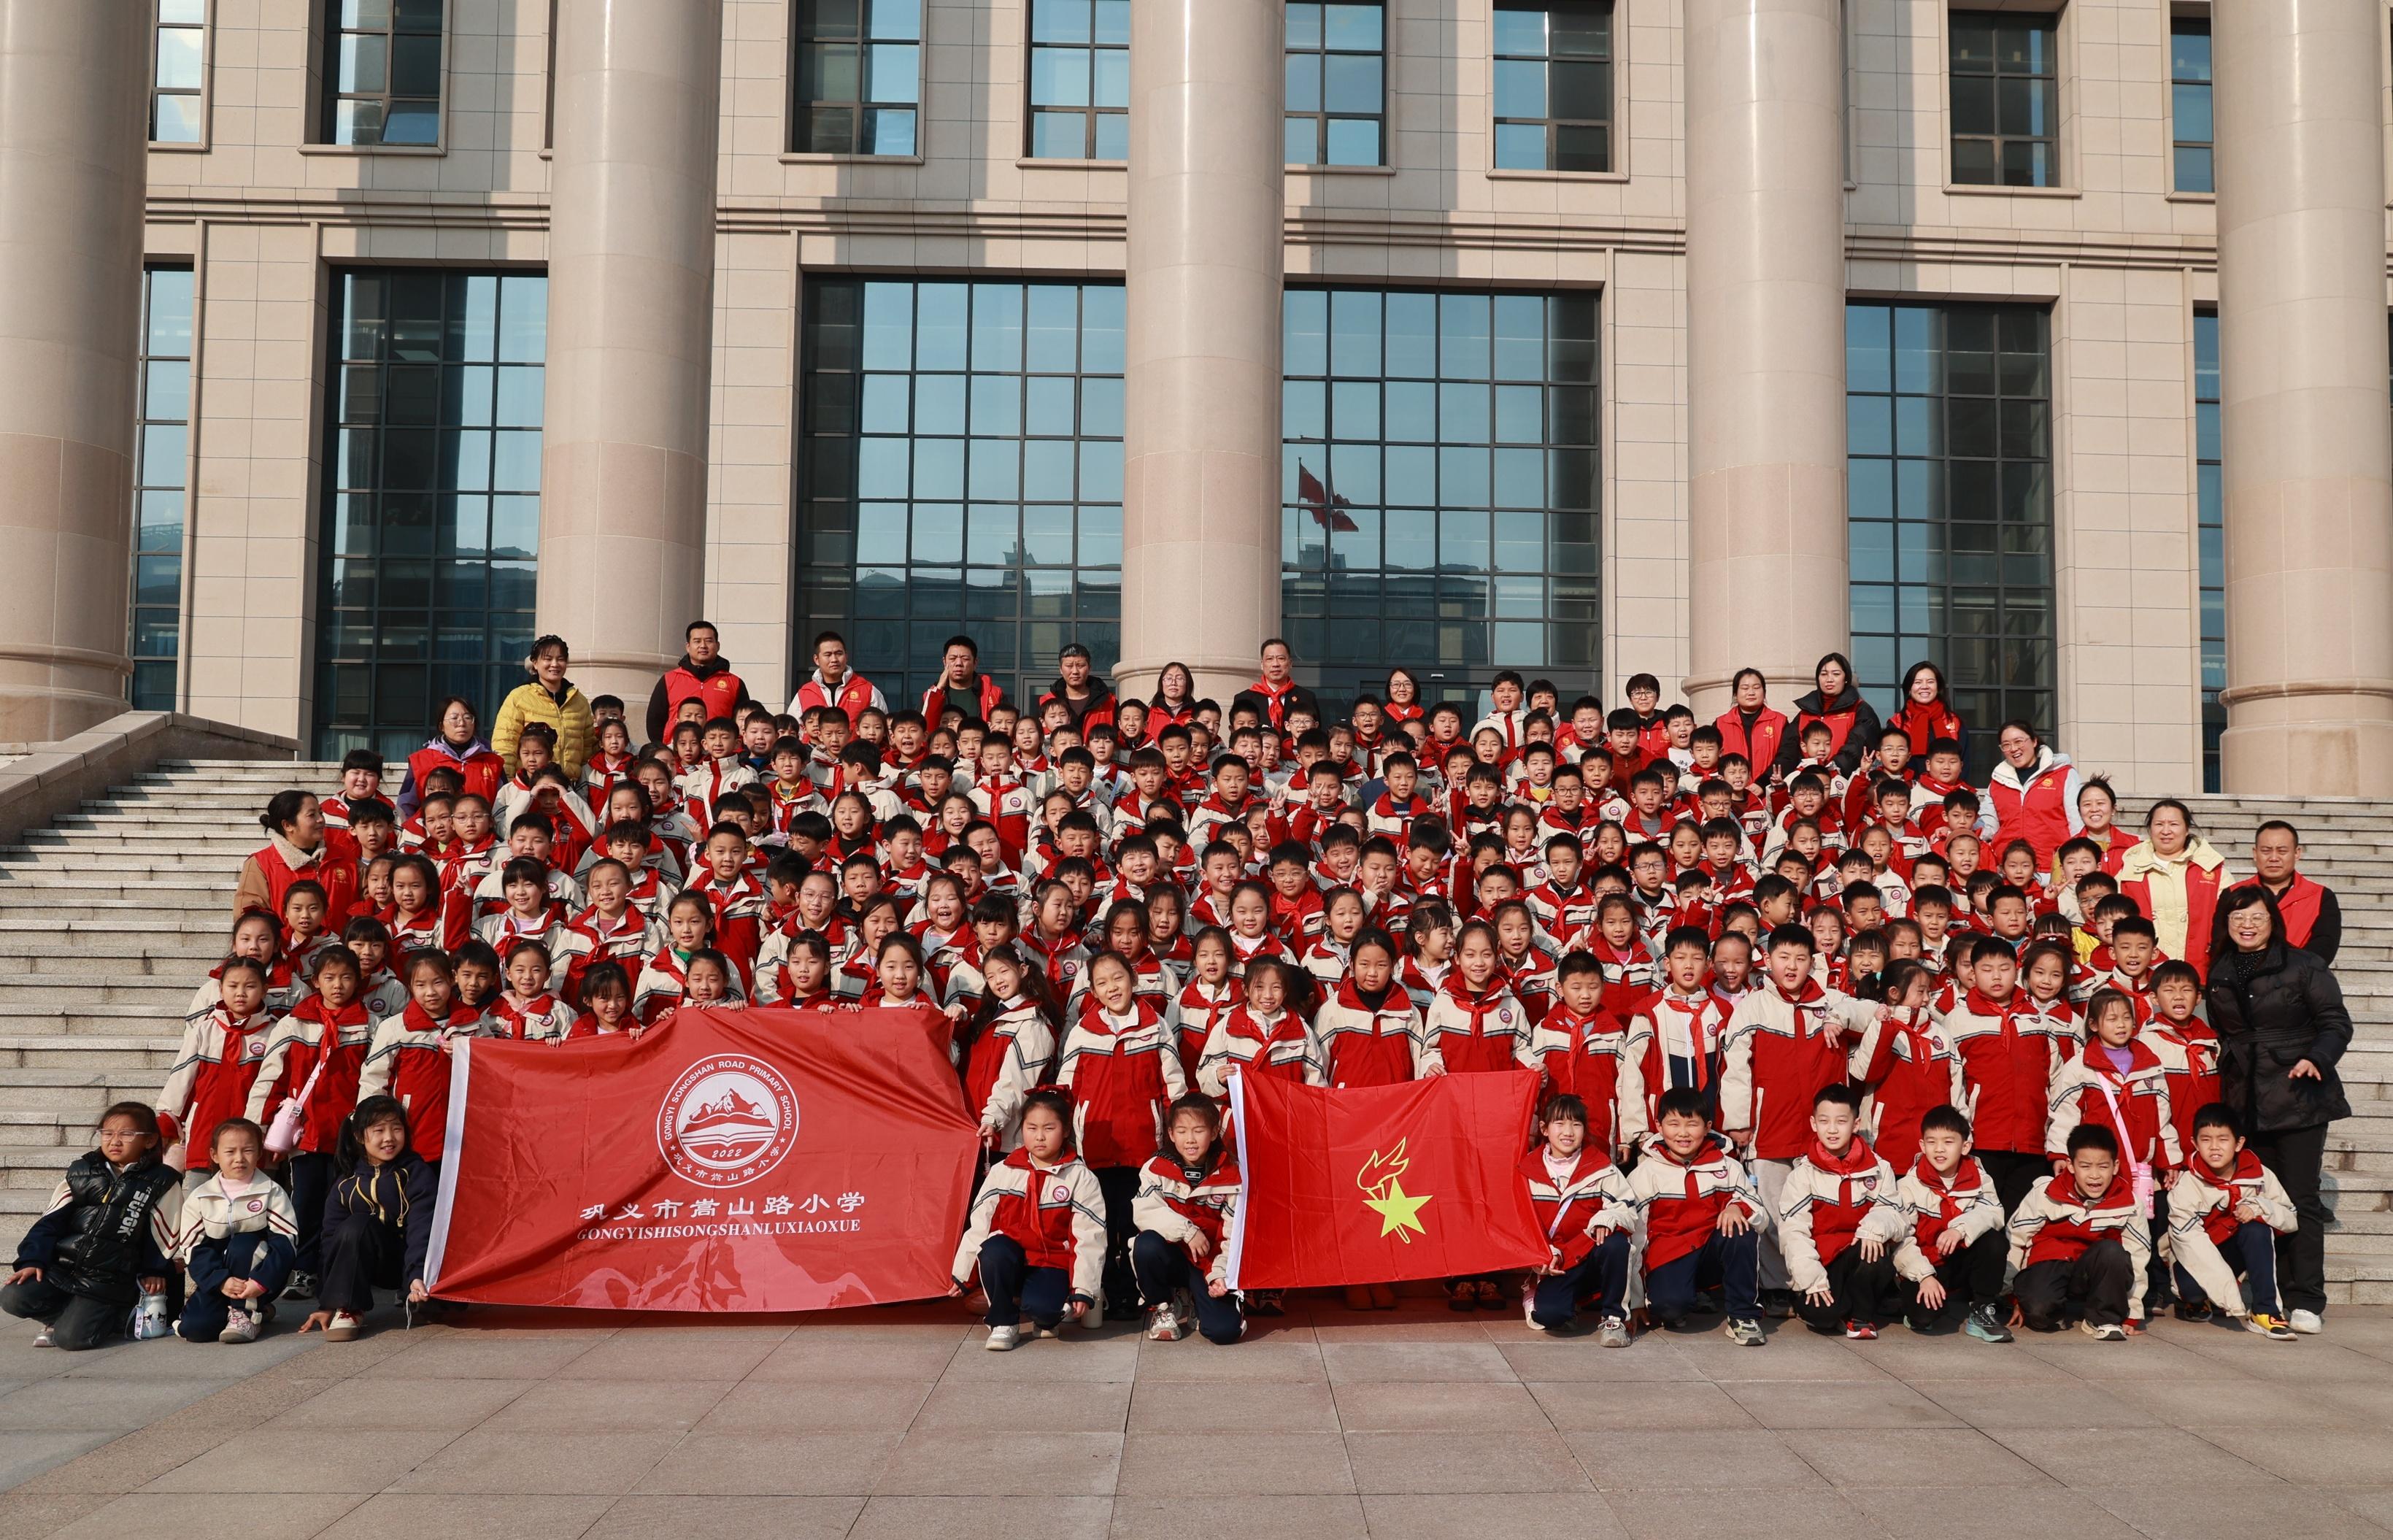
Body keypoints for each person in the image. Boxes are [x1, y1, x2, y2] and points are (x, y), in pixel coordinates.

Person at [2204, 885, 2351, 1334]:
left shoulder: (2304, 965)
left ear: (2273, 920)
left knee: (2300, 1198)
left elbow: (2335, 1022)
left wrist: (2317, 1057)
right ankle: (2272, 1297)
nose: (2246, 925)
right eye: (2237, 918)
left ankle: (2306, 1299)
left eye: (2256, 917)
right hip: (2245, 1098)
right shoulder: (2220, 968)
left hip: (2298, 1094)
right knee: (2261, 1199)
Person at [2, 1103, 180, 1350]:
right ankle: (64, 1317)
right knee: (12, 1296)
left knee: (71, 1340)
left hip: (109, 1282)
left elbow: (165, 1233)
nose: (115, 1141)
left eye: (127, 1134)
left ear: (149, 1141)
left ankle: (116, 1316)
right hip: (64, 1269)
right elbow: (49, 1222)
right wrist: (33, 1260)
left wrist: (154, 1269)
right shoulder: (81, 1172)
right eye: (107, 1133)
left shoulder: (162, 1181)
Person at [949, 1087, 1108, 1350]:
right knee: (993, 1249)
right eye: (1032, 1128)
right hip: (1011, 1257)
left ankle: (1045, 1310)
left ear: (1065, 1130)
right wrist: (963, 1275)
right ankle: (1003, 1322)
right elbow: (981, 1224)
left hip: (1052, 1261)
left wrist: (1083, 1288)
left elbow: (1089, 1237)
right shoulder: (1003, 1171)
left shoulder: (1080, 1177)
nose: (1040, 1137)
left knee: (1046, 1313)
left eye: (1049, 1128)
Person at [1624, 1086, 1770, 1346]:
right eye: (1674, 1124)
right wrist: (1634, 1301)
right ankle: (1679, 1297)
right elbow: (1634, 1239)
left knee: (1742, 1228)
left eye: (1692, 1124)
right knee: (1669, 1309)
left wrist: (1738, 1207)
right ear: (1659, 1126)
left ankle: (1743, 1316)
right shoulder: (1645, 1174)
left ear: (1707, 1127)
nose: (1683, 1133)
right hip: (1670, 1255)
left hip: (1710, 1253)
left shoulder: (1728, 1166)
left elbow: (1760, 1213)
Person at [301, 1096, 437, 1341]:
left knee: (438, 1309)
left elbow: (423, 1228)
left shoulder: (417, 1173)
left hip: (412, 1262)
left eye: (396, 1129)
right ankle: (349, 1308)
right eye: (379, 1130)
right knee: (356, 1226)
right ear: (359, 1136)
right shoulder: (346, 1183)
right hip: (372, 1263)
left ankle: (417, 1293)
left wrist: (417, 1275)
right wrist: (327, 1303)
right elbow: (330, 1243)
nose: (389, 1138)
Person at [1777, 1083, 1905, 1339]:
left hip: (1857, 1255)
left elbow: (1896, 1215)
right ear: (1814, 1123)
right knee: (1822, 1317)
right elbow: (1793, 1232)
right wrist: (1812, 1279)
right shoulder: (1803, 1173)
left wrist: (1874, 1228)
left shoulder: (1879, 1168)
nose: (1832, 1129)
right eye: (1824, 1121)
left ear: (1856, 1124)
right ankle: (1836, 1308)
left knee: (1874, 1247)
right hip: (1822, 1263)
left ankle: (1860, 1316)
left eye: (1841, 1121)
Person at [2010, 1122, 2150, 1339]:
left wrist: (2132, 1314)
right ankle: (2050, 1307)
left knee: (2112, 1251)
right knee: (2038, 1313)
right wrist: (2015, 1296)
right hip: (2050, 1264)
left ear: (2115, 1166)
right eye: (2085, 1166)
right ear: (2071, 1165)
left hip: (2092, 1270)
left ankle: (2102, 1318)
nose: (2094, 1175)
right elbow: (2016, 1240)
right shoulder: (2046, 1193)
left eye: (2103, 1167)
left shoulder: (2129, 1203)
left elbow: (2138, 1258)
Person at [1890, 1104, 2012, 1341]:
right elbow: (1901, 1240)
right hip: (1925, 1264)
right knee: (1923, 1318)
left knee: (1994, 1241)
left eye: (1948, 1142)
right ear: (1922, 1145)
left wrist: (1960, 1229)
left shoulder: (1980, 1178)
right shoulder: (1908, 1185)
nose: (1939, 1149)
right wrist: (1924, 1276)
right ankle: (1916, 1305)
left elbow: (1994, 1213)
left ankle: (1982, 1310)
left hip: (1960, 1260)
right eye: (1932, 1142)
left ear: (1965, 1146)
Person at [1517, 1094, 1634, 1343]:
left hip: (1590, 1254)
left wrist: (1606, 1217)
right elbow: (1520, 1223)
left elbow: (1626, 1209)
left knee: (1616, 1243)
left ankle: (1614, 1318)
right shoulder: (1526, 1171)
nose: (1568, 1132)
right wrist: (1541, 1253)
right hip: (1557, 1264)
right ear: (1544, 1129)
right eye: (1560, 1123)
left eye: (1576, 1124)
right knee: (1550, 1317)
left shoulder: (1602, 1167)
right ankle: (1544, 1295)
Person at [1130, 1094, 1244, 1344]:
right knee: (1145, 1245)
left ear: (1213, 1132)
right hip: (1171, 1254)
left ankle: (1196, 1299)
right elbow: (1144, 1211)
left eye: (1198, 1131)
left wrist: (1219, 1275)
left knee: (1224, 1332)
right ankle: (1164, 1306)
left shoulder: (1232, 1173)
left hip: (1208, 1262)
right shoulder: (1156, 1167)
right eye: (1182, 1131)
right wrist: (1187, 1231)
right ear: (1171, 1134)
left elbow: (1234, 1235)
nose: (1190, 1139)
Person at [172, 1118, 298, 1344]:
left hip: (259, 1280)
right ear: (214, 1155)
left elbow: (286, 1242)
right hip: (219, 1280)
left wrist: (260, 1281)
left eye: (248, 1151)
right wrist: (220, 1281)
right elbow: (192, 1247)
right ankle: (257, 1312)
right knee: (195, 1329)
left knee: (244, 1242)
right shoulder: (200, 1197)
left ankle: (245, 1313)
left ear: (259, 1154)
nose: (239, 1158)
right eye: (230, 1152)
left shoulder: (271, 1192)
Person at [2118, 798, 2232, 979]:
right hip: (2145, 975)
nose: (2166, 831)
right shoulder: (2129, 871)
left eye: (2174, 824)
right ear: (2150, 829)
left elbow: (2230, 919)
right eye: (2159, 824)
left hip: (2201, 973)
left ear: (2187, 829)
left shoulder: (2212, 869)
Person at [234, 790, 356, 922]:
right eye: (312, 815)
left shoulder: (345, 858)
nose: (321, 820)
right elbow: (249, 919)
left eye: (321, 813)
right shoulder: (261, 864)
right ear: (287, 825)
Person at [2231, 820, 2340, 964]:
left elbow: (2325, 946)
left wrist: (2289, 971)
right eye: (2266, 851)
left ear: (2297, 853)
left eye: (2282, 851)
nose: (2274, 858)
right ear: (2255, 853)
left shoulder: (2321, 896)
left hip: (2301, 975)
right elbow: (2221, 942)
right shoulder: (2233, 894)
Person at [490, 634, 595, 779]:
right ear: (535, 663)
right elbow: (505, 745)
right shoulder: (519, 697)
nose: (555, 664)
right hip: (530, 784)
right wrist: (507, 782)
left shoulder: (579, 701)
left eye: (560, 659)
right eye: (548, 659)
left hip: (569, 786)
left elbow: (588, 749)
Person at [1985, 720, 2081, 871]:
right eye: (2006, 745)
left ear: (2034, 741)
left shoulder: (2064, 774)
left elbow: (2077, 824)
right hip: (2009, 871)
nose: (2013, 749)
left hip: (2052, 870)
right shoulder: (1998, 780)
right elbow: (1987, 824)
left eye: (2018, 741)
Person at [646, 619, 757, 747]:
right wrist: (663, 748)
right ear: (688, 647)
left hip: (719, 751)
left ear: (718, 645)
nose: (703, 646)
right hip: (678, 752)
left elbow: (744, 720)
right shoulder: (669, 679)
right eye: (697, 641)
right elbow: (654, 720)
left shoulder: (734, 683)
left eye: (709, 641)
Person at [397, 696, 506, 817]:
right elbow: (405, 806)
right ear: (441, 726)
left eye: (468, 718)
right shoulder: (421, 761)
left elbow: (504, 805)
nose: (462, 723)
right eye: (454, 718)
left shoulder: (493, 763)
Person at [1782, 652, 1882, 777]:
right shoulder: (1805, 712)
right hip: (1807, 780)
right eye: (1824, 674)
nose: (1829, 679)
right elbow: (1787, 752)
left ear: (1846, 678)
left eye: (1836, 674)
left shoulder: (1860, 710)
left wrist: (1832, 771)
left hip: (1844, 781)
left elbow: (1856, 749)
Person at [789, 628, 888, 724]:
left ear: (846, 656)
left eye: (839, 654)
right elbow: (793, 731)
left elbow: (882, 729)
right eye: (828, 655)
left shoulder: (868, 691)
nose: (834, 659)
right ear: (816, 660)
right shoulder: (804, 694)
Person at [1713, 667, 1790, 782]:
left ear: (1764, 692)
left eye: (1756, 688)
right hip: (1731, 791)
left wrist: (1762, 783)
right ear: (1735, 694)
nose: (1751, 693)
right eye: (1745, 688)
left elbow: (1787, 757)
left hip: (1768, 788)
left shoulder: (1780, 721)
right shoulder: (1721, 724)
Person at [1230, 638, 1321, 734]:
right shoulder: (1244, 698)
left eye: (1281, 658)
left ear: (1290, 663)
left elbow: (1316, 735)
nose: (1275, 664)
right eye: (1270, 659)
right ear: (1262, 665)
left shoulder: (1306, 697)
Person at [1890, 661, 1964, 772]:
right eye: (1918, 682)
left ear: (1938, 687)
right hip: (1907, 782)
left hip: (1947, 782)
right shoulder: (1898, 723)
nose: (1924, 687)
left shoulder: (1954, 721)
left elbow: (1963, 762)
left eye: (1930, 682)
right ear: (1909, 689)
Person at [921, 634, 1006, 725]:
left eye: (965, 659)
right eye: (953, 659)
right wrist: (938, 691)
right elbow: (925, 729)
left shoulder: (994, 694)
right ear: (945, 662)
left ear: (975, 663)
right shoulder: (930, 697)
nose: (958, 663)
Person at [1039, 642, 1118, 734]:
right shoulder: (1047, 701)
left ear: (1089, 668)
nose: (1075, 671)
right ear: (1060, 669)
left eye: (1080, 666)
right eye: (1069, 666)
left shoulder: (1109, 702)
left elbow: (1119, 737)